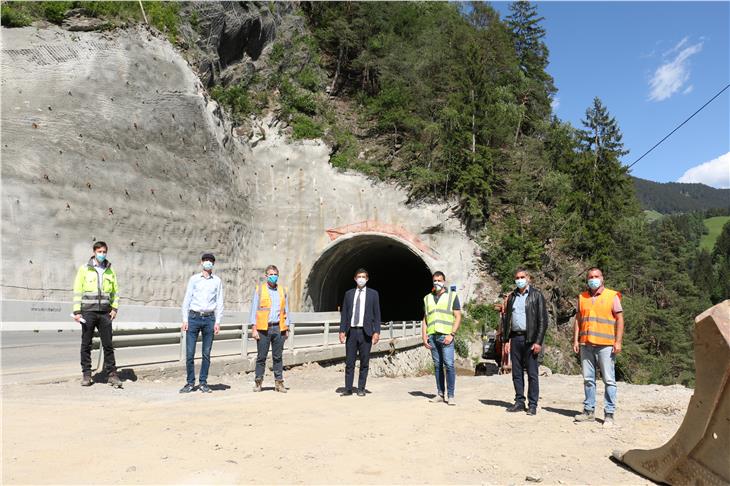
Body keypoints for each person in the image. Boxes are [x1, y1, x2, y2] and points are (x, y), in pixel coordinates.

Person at [572, 267, 624, 428]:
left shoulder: (612, 296)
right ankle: (588, 411)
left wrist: (618, 341)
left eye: (596, 276)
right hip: (586, 344)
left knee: (609, 380)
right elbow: (578, 320)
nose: (593, 279)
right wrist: (575, 340)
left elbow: (620, 319)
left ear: (602, 278)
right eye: (590, 277)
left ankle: (609, 414)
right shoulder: (582, 297)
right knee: (588, 379)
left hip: (606, 345)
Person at [73, 241, 121, 387]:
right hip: (88, 312)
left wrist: (114, 308)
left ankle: (112, 374)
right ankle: (87, 374)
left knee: (108, 344)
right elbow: (77, 290)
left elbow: (115, 292)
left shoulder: (110, 270)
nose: (102, 254)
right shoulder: (84, 269)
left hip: (105, 313)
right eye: (99, 251)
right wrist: (77, 311)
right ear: (94, 252)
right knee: (86, 344)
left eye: (104, 252)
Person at [502, 268, 548, 415]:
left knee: (532, 373)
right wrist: (506, 340)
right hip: (515, 338)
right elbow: (507, 320)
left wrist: (538, 341)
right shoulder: (512, 297)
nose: (519, 279)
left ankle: (533, 404)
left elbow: (543, 321)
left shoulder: (536, 295)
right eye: (517, 277)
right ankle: (519, 402)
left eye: (522, 277)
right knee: (516, 373)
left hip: (531, 339)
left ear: (528, 278)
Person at [180, 253, 223, 394]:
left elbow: (219, 302)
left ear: (213, 264)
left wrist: (218, 321)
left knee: (206, 353)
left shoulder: (217, 281)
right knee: (190, 353)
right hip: (193, 317)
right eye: (206, 260)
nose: (208, 263)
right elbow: (187, 299)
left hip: (209, 319)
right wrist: (185, 320)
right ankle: (190, 382)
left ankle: (203, 382)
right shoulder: (194, 279)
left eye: (210, 261)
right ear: (201, 262)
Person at [339, 268, 381, 396]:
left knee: (364, 362)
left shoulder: (373, 294)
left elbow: (377, 314)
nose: (361, 279)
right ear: (355, 278)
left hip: (366, 332)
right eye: (359, 276)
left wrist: (377, 332)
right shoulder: (349, 294)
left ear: (367, 279)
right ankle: (348, 388)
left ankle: (361, 388)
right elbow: (345, 313)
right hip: (351, 331)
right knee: (349, 362)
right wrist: (342, 331)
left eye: (363, 276)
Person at [422, 271, 462, 406]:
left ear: (444, 281)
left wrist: (452, 334)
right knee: (437, 366)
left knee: (449, 365)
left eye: (439, 280)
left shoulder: (452, 296)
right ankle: (440, 394)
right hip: (432, 336)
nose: (436, 283)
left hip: (446, 336)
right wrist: (424, 335)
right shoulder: (427, 298)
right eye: (434, 280)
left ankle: (451, 395)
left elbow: (458, 316)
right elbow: (425, 319)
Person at [249, 265, 290, 393]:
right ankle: (258, 382)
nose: (273, 276)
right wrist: (254, 328)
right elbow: (254, 310)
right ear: (266, 276)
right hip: (263, 329)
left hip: (278, 328)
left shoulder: (282, 291)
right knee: (261, 357)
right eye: (271, 274)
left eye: (275, 274)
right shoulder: (259, 290)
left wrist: (287, 327)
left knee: (278, 357)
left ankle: (279, 383)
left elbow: (286, 310)